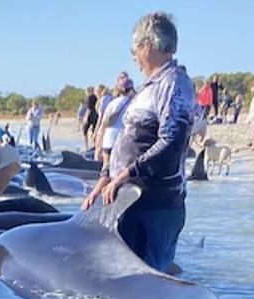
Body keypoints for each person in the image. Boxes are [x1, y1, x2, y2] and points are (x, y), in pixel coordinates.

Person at [83, 12, 194, 274]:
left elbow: (172, 141)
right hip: (131, 202)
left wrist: (126, 174)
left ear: (148, 45)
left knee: (147, 287)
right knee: (121, 286)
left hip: (155, 206)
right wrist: (105, 176)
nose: (133, 56)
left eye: (134, 48)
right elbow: (129, 139)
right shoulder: (149, 87)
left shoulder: (174, 83)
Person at [96, 73, 136, 164]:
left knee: (106, 169)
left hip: (109, 139)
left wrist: (98, 147)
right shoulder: (136, 104)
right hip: (126, 141)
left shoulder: (112, 104)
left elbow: (103, 125)